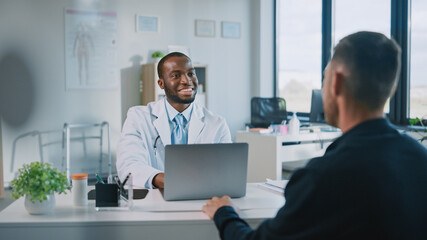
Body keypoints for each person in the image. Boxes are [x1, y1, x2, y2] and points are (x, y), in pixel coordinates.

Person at [202, 31, 427, 239]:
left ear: (336, 82)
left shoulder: (324, 178)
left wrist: (224, 212)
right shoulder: (420, 158)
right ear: (392, 89)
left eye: (324, 78)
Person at [117, 52, 231, 189]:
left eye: (190, 74)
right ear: (161, 84)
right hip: (154, 199)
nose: (186, 81)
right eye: (176, 75)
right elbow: (129, 166)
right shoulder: (139, 117)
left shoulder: (217, 123)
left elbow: (226, 171)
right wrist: (168, 181)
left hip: (201, 199)